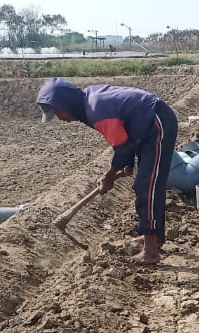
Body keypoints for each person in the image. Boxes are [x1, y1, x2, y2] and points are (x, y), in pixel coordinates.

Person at [36, 77, 178, 264]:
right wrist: (126, 164)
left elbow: (122, 146)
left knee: (148, 187)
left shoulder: (96, 109)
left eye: (58, 112)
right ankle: (154, 238)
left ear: (65, 103)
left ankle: (150, 251)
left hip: (156, 123)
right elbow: (124, 136)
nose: (61, 119)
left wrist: (109, 176)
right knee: (148, 185)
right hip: (145, 127)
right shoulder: (88, 102)